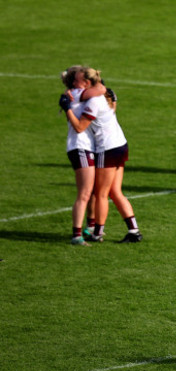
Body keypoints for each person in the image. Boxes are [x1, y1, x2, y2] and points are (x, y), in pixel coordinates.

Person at [59, 67, 142, 243]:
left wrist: (66, 106)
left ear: (87, 84)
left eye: (78, 80)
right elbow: (105, 97)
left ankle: (97, 232)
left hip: (107, 148)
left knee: (101, 193)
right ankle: (134, 231)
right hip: (121, 144)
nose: (75, 84)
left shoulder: (92, 100)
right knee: (115, 192)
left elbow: (80, 127)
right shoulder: (102, 96)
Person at [61, 65, 95, 246]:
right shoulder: (74, 95)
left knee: (94, 192)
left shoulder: (81, 94)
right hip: (80, 147)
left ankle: (90, 228)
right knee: (85, 193)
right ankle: (77, 234)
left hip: (92, 147)